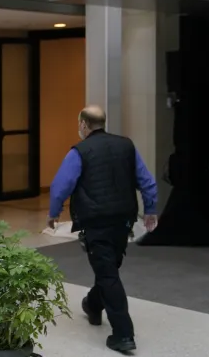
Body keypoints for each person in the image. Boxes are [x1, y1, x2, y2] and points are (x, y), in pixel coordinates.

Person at [46, 105, 158, 354]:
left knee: (108, 273)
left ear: (84, 124)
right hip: (123, 220)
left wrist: (53, 214)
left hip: (96, 221)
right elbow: (147, 181)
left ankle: (123, 335)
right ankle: (93, 305)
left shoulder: (80, 151)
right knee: (109, 267)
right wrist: (150, 210)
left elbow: (60, 186)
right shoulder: (126, 145)